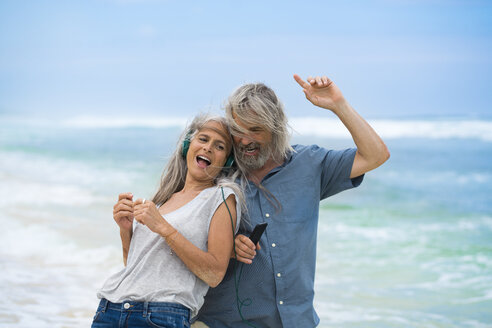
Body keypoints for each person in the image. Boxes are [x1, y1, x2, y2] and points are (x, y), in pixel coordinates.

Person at [195, 74, 390, 327]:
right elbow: (179, 237)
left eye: (255, 130)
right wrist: (225, 248)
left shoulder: (310, 164)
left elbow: (376, 155)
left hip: (298, 321)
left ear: (275, 127)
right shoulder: (215, 172)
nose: (244, 140)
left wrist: (338, 104)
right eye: (237, 131)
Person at [91, 114, 244, 328]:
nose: (208, 148)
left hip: (161, 316)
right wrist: (126, 230)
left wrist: (163, 228)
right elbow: (136, 267)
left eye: (219, 146)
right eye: (203, 139)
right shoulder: (164, 200)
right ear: (187, 146)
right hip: (110, 309)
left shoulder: (222, 197)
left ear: (226, 161)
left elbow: (214, 274)